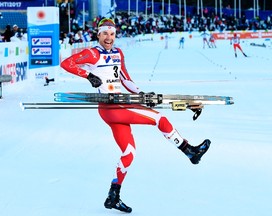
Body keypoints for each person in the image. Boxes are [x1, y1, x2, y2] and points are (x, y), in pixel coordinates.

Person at [60, 18, 211, 213]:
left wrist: (140, 94)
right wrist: (89, 76)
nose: (109, 37)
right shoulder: (92, 53)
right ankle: (189, 151)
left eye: (112, 34)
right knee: (160, 119)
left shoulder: (117, 53)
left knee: (129, 152)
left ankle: (113, 195)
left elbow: (126, 79)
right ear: (98, 34)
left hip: (119, 104)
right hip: (111, 106)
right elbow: (66, 63)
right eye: (105, 33)